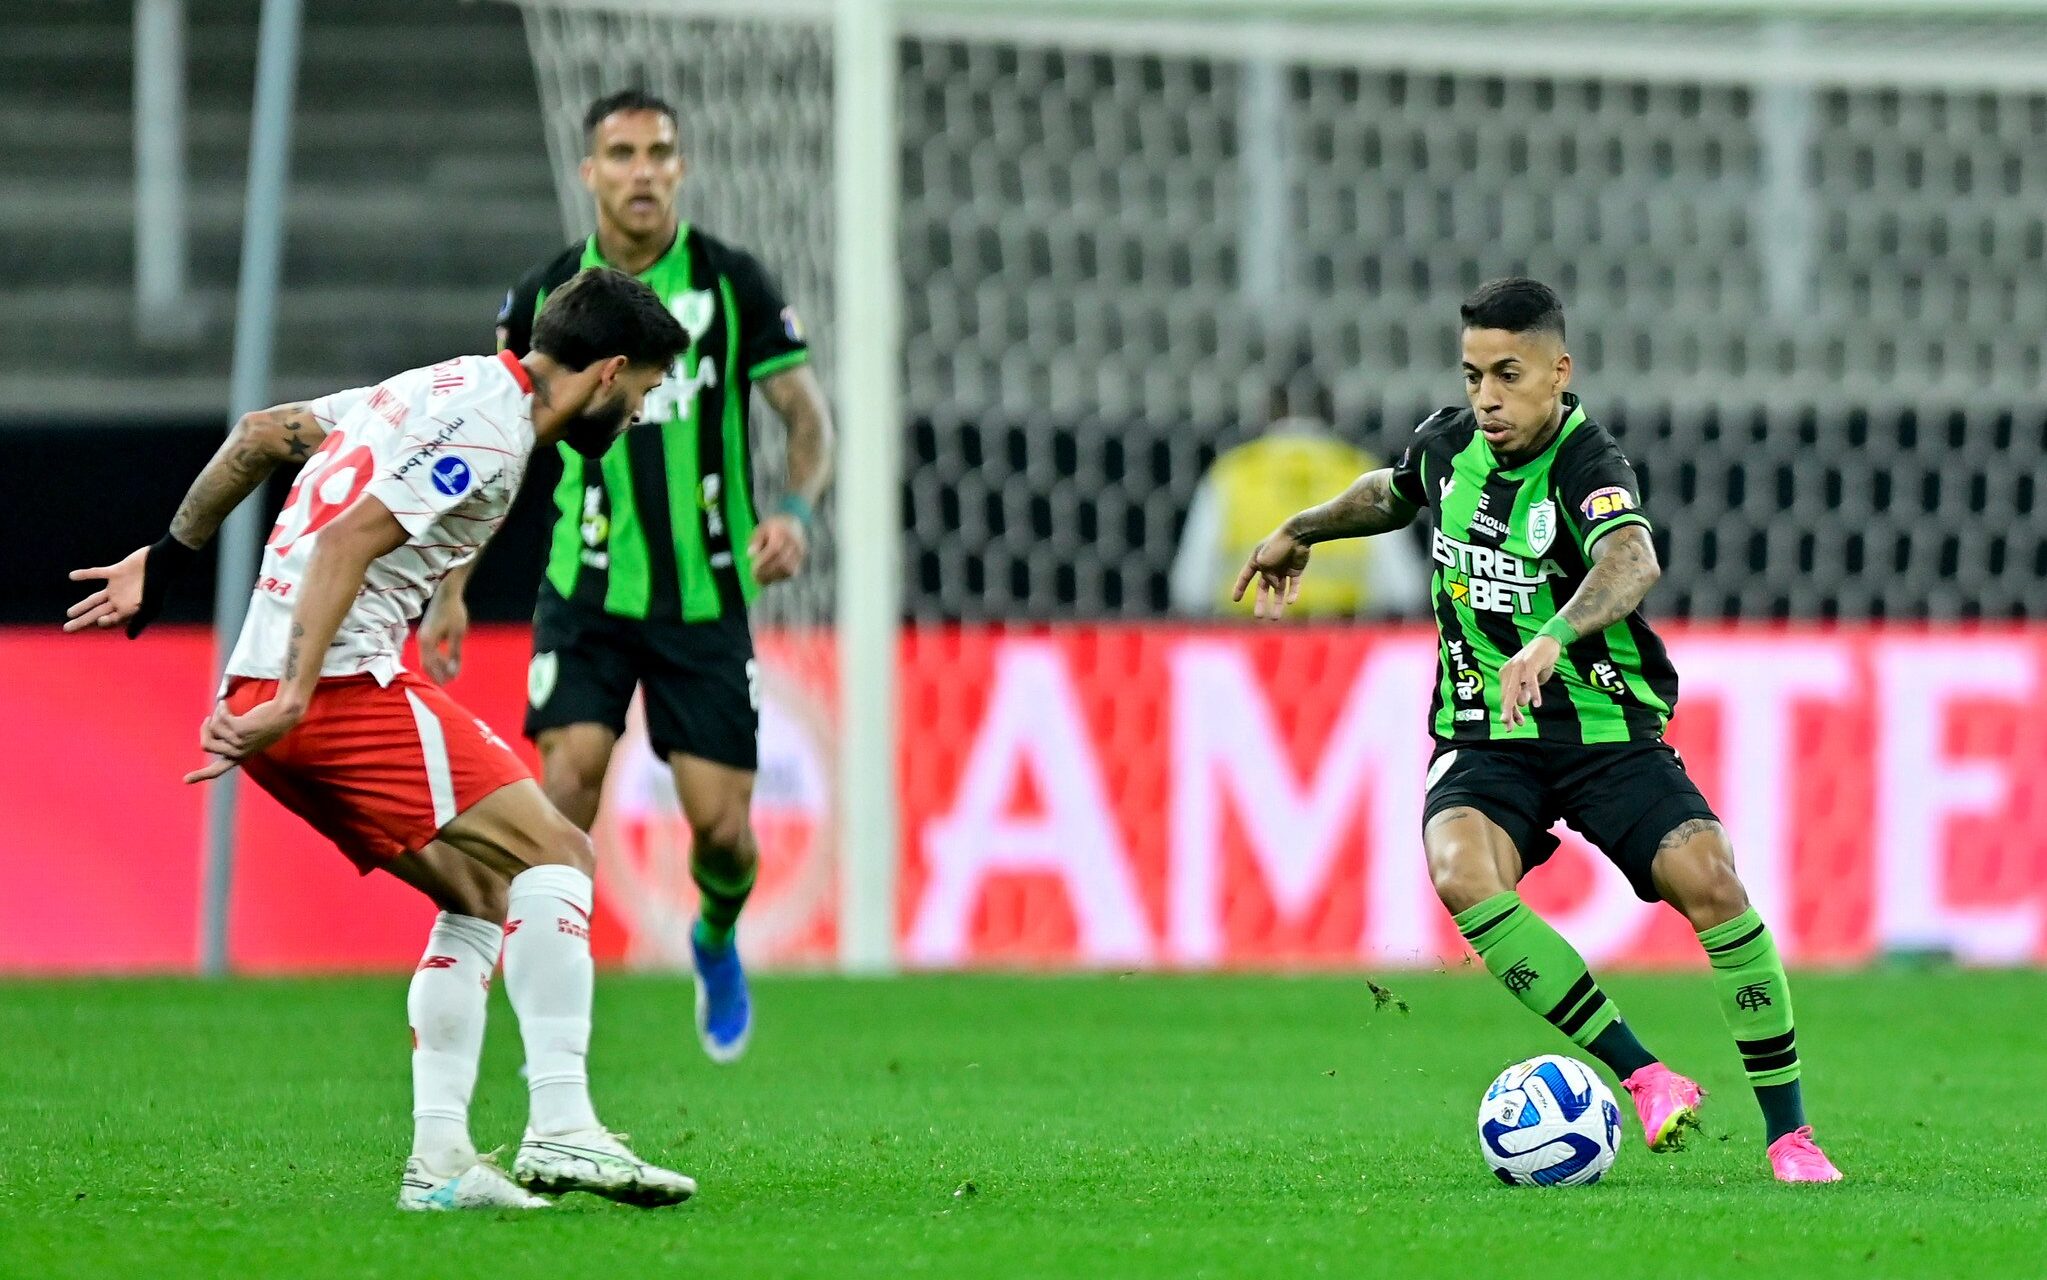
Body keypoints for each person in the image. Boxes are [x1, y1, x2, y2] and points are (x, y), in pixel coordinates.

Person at [65, 268, 702, 1210]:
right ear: (608, 372)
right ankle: (564, 1128)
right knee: (556, 852)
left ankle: (440, 1163)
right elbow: (346, 540)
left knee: (484, 892)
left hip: (284, 688)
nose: (642, 411)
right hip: (333, 687)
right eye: (645, 389)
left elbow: (261, 437)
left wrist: (168, 558)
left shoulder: (438, 385)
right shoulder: (492, 429)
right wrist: (293, 689)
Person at [1234, 278, 1842, 1183]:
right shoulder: (1447, 444)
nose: (1486, 397)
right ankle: (1643, 1078)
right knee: (1458, 871)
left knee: (1709, 881)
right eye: (1473, 373)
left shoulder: (1587, 465)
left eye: (1507, 375)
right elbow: (1393, 492)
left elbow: (1630, 558)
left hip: (1604, 729)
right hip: (1484, 733)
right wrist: (1304, 527)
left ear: (1558, 371)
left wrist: (1554, 635)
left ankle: (1790, 1136)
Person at [425, 89, 835, 1063]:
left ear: (680, 167)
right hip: (588, 588)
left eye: (659, 152)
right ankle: (545, 1018)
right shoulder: (544, 297)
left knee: (726, 835)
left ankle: (715, 936)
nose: (642, 170)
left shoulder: (731, 284)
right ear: (589, 172)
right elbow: (498, 445)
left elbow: (807, 421)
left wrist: (797, 510)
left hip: (707, 597)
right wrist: (451, 582)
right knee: (562, 784)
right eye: (621, 153)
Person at [1170, 380, 1427, 619]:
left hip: (1250, 635)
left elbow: (1190, 588)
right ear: (1331, 412)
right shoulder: (1358, 469)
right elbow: (1405, 589)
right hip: (1341, 639)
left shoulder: (1232, 472)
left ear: (1268, 411)